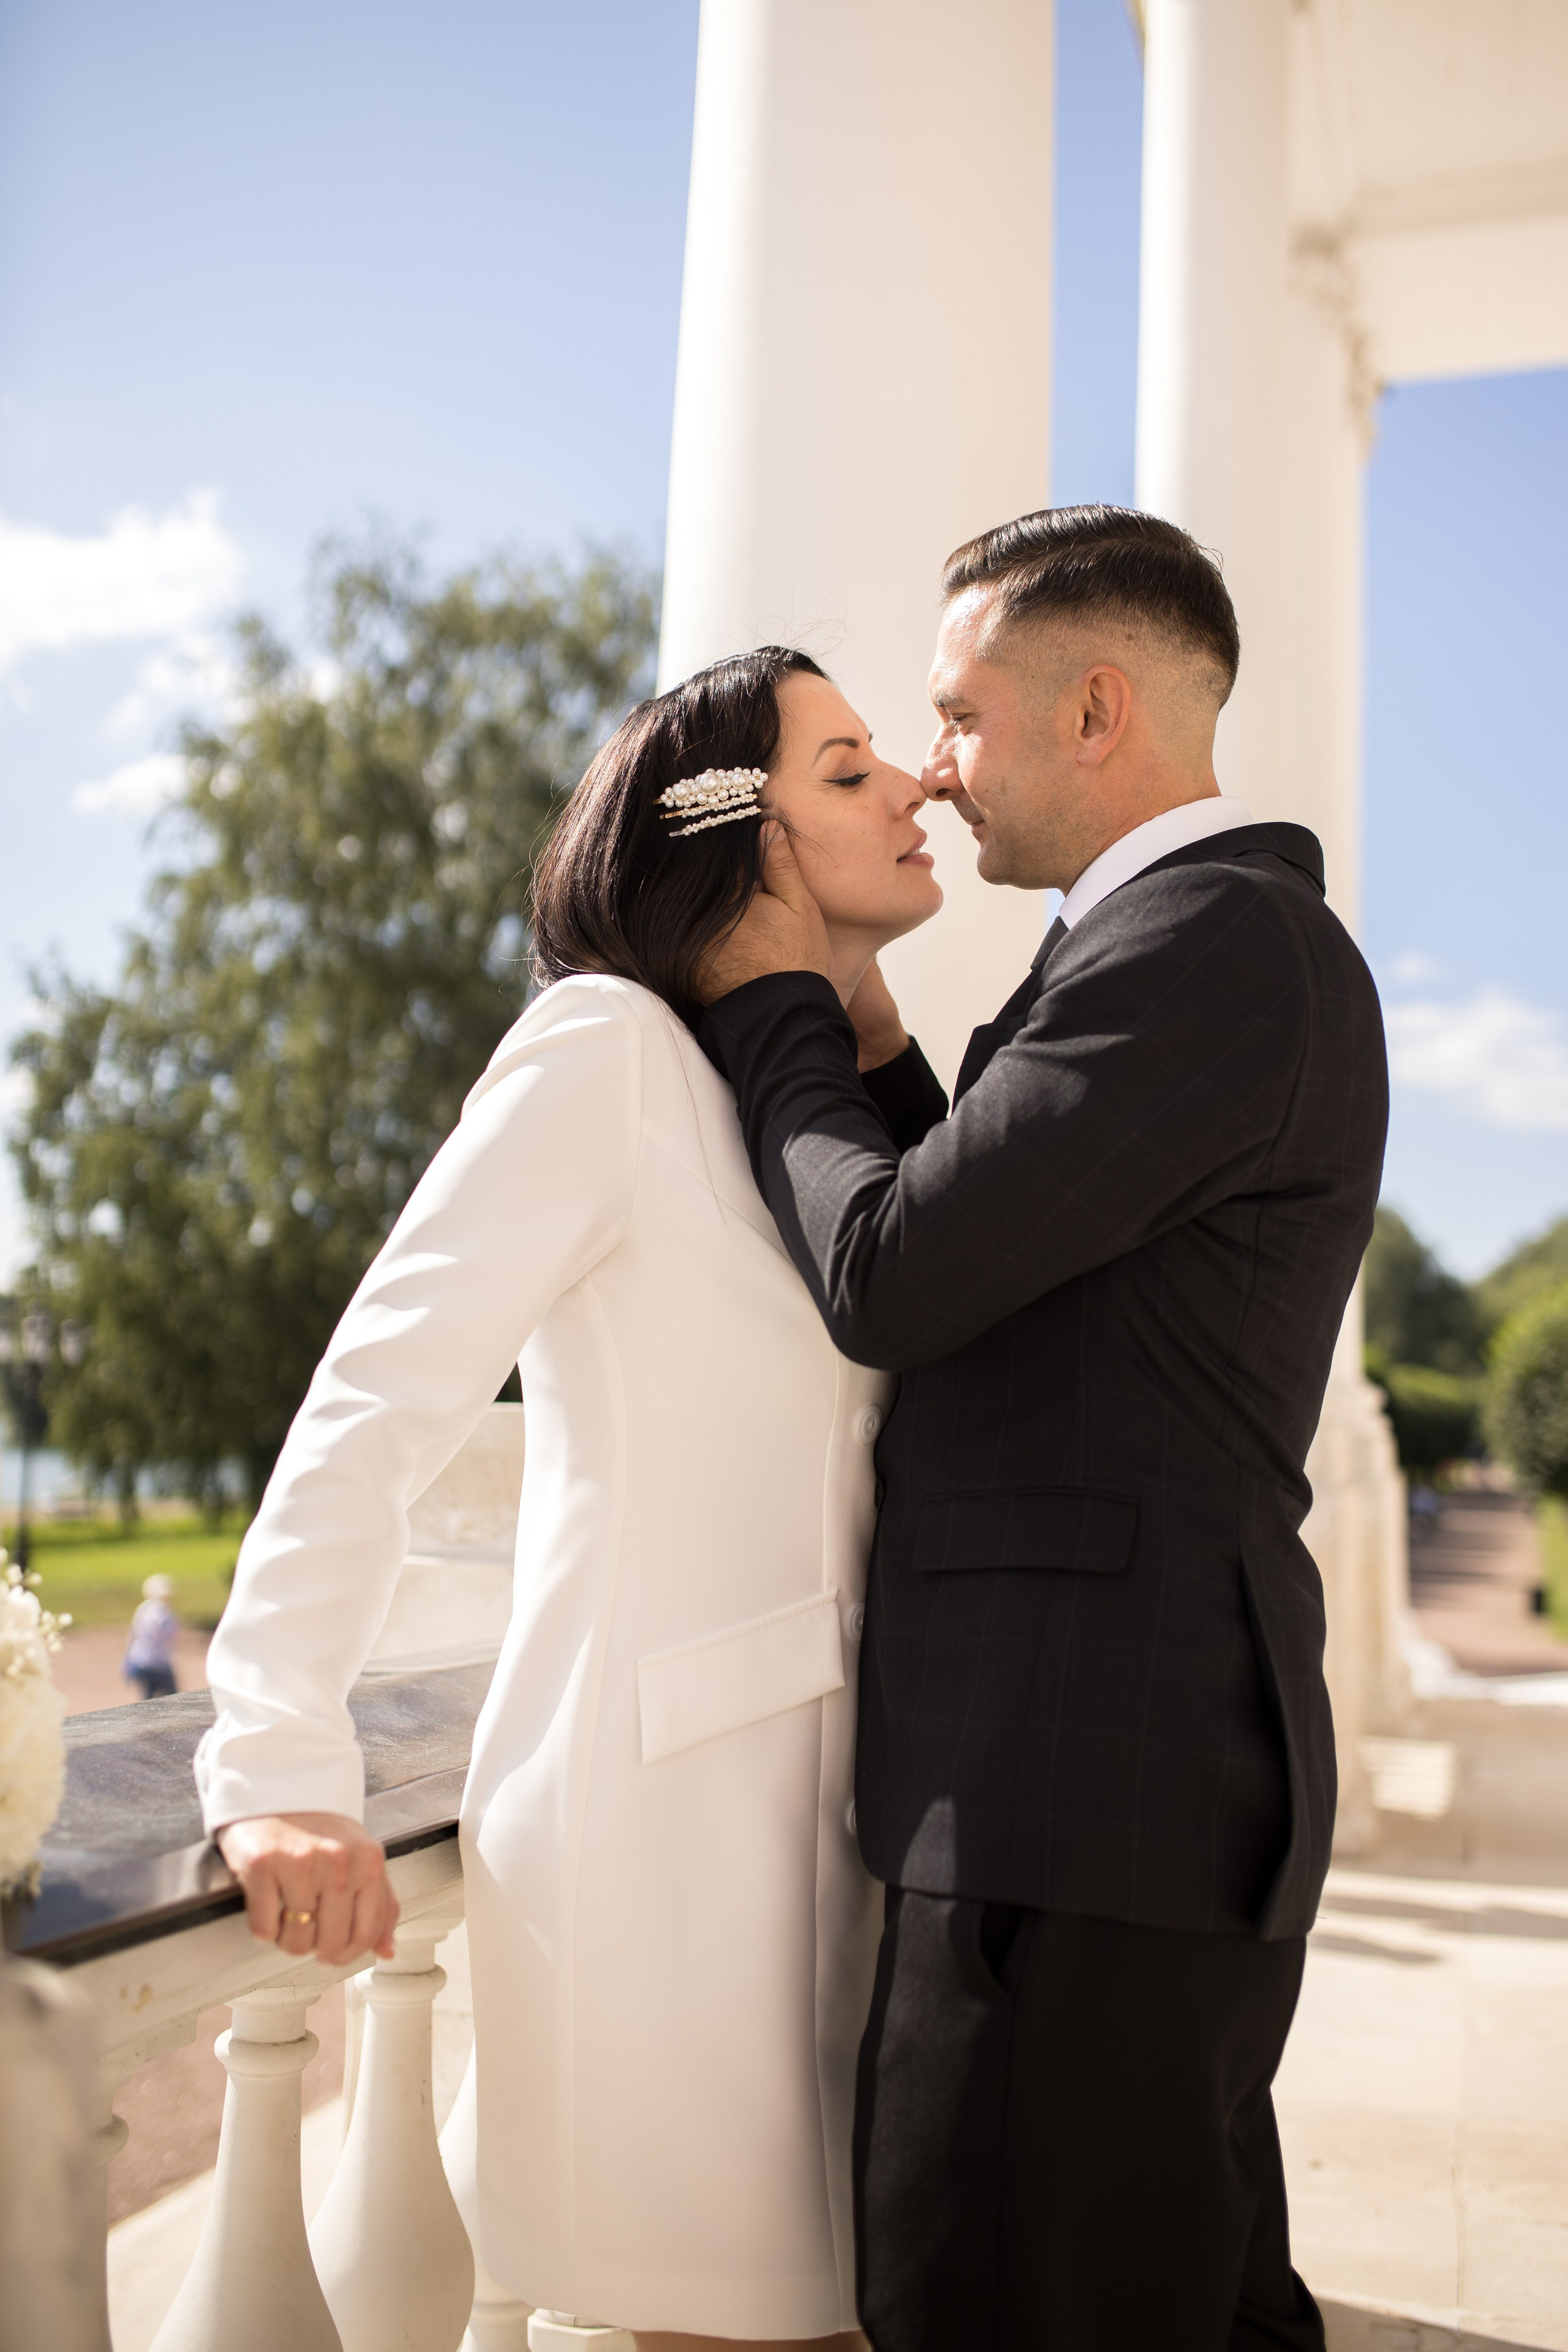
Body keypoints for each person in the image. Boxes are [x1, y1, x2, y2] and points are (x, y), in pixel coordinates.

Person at [697, 507, 1390, 2352]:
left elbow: (896, 1268)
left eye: (957, 714)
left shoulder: (1210, 946)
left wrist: (768, 995)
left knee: (989, 2299)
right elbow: (1016, 1234)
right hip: (1111, 1775)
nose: (931, 763)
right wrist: (861, 1032)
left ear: (1096, 709)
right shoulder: (1192, 943)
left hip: (1069, 1785)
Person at [194, 647, 944, 2350]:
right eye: (848, 769)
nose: (914, 788)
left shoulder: (808, 1113)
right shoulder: (600, 1051)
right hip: (660, 1850)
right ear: (738, 839)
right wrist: (277, 1759)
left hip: (853, 1852)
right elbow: (380, 1390)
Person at [123, 1572, 179, 1700]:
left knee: (148, 1699)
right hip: (157, 1662)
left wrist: (127, 1661)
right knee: (175, 1699)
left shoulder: (143, 1608)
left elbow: (132, 1634)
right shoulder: (161, 1611)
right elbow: (163, 1633)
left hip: (140, 1659)